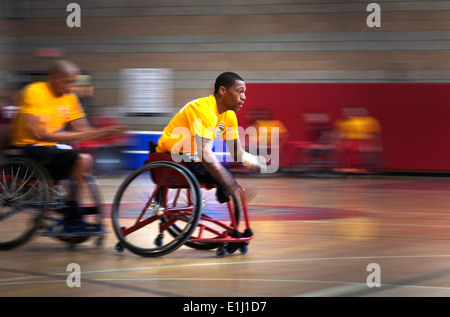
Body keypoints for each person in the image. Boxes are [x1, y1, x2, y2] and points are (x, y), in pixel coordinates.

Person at [8, 60, 127, 224]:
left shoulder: (70, 98)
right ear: (53, 78)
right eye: (67, 82)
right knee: (79, 159)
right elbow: (41, 135)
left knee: (85, 159)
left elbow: (83, 129)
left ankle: (71, 207)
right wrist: (90, 135)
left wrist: (105, 133)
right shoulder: (34, 92)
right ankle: (72, 211)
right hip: (26, 148)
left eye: (73, 82)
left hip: (49, 149)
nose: (71, 87)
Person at [156, 72, 266, 206]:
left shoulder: (229, 117)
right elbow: (204, 153)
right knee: (223, 176)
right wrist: (230, 185)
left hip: (191, 157)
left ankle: (229, 206)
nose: (244, 97)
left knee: (225, 174)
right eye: (239, 91)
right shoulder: (203, 110)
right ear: (222, 90)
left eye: (244, 92)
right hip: (170, 156)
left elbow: (238, 154)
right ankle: (228, 195)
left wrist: (256, 162)